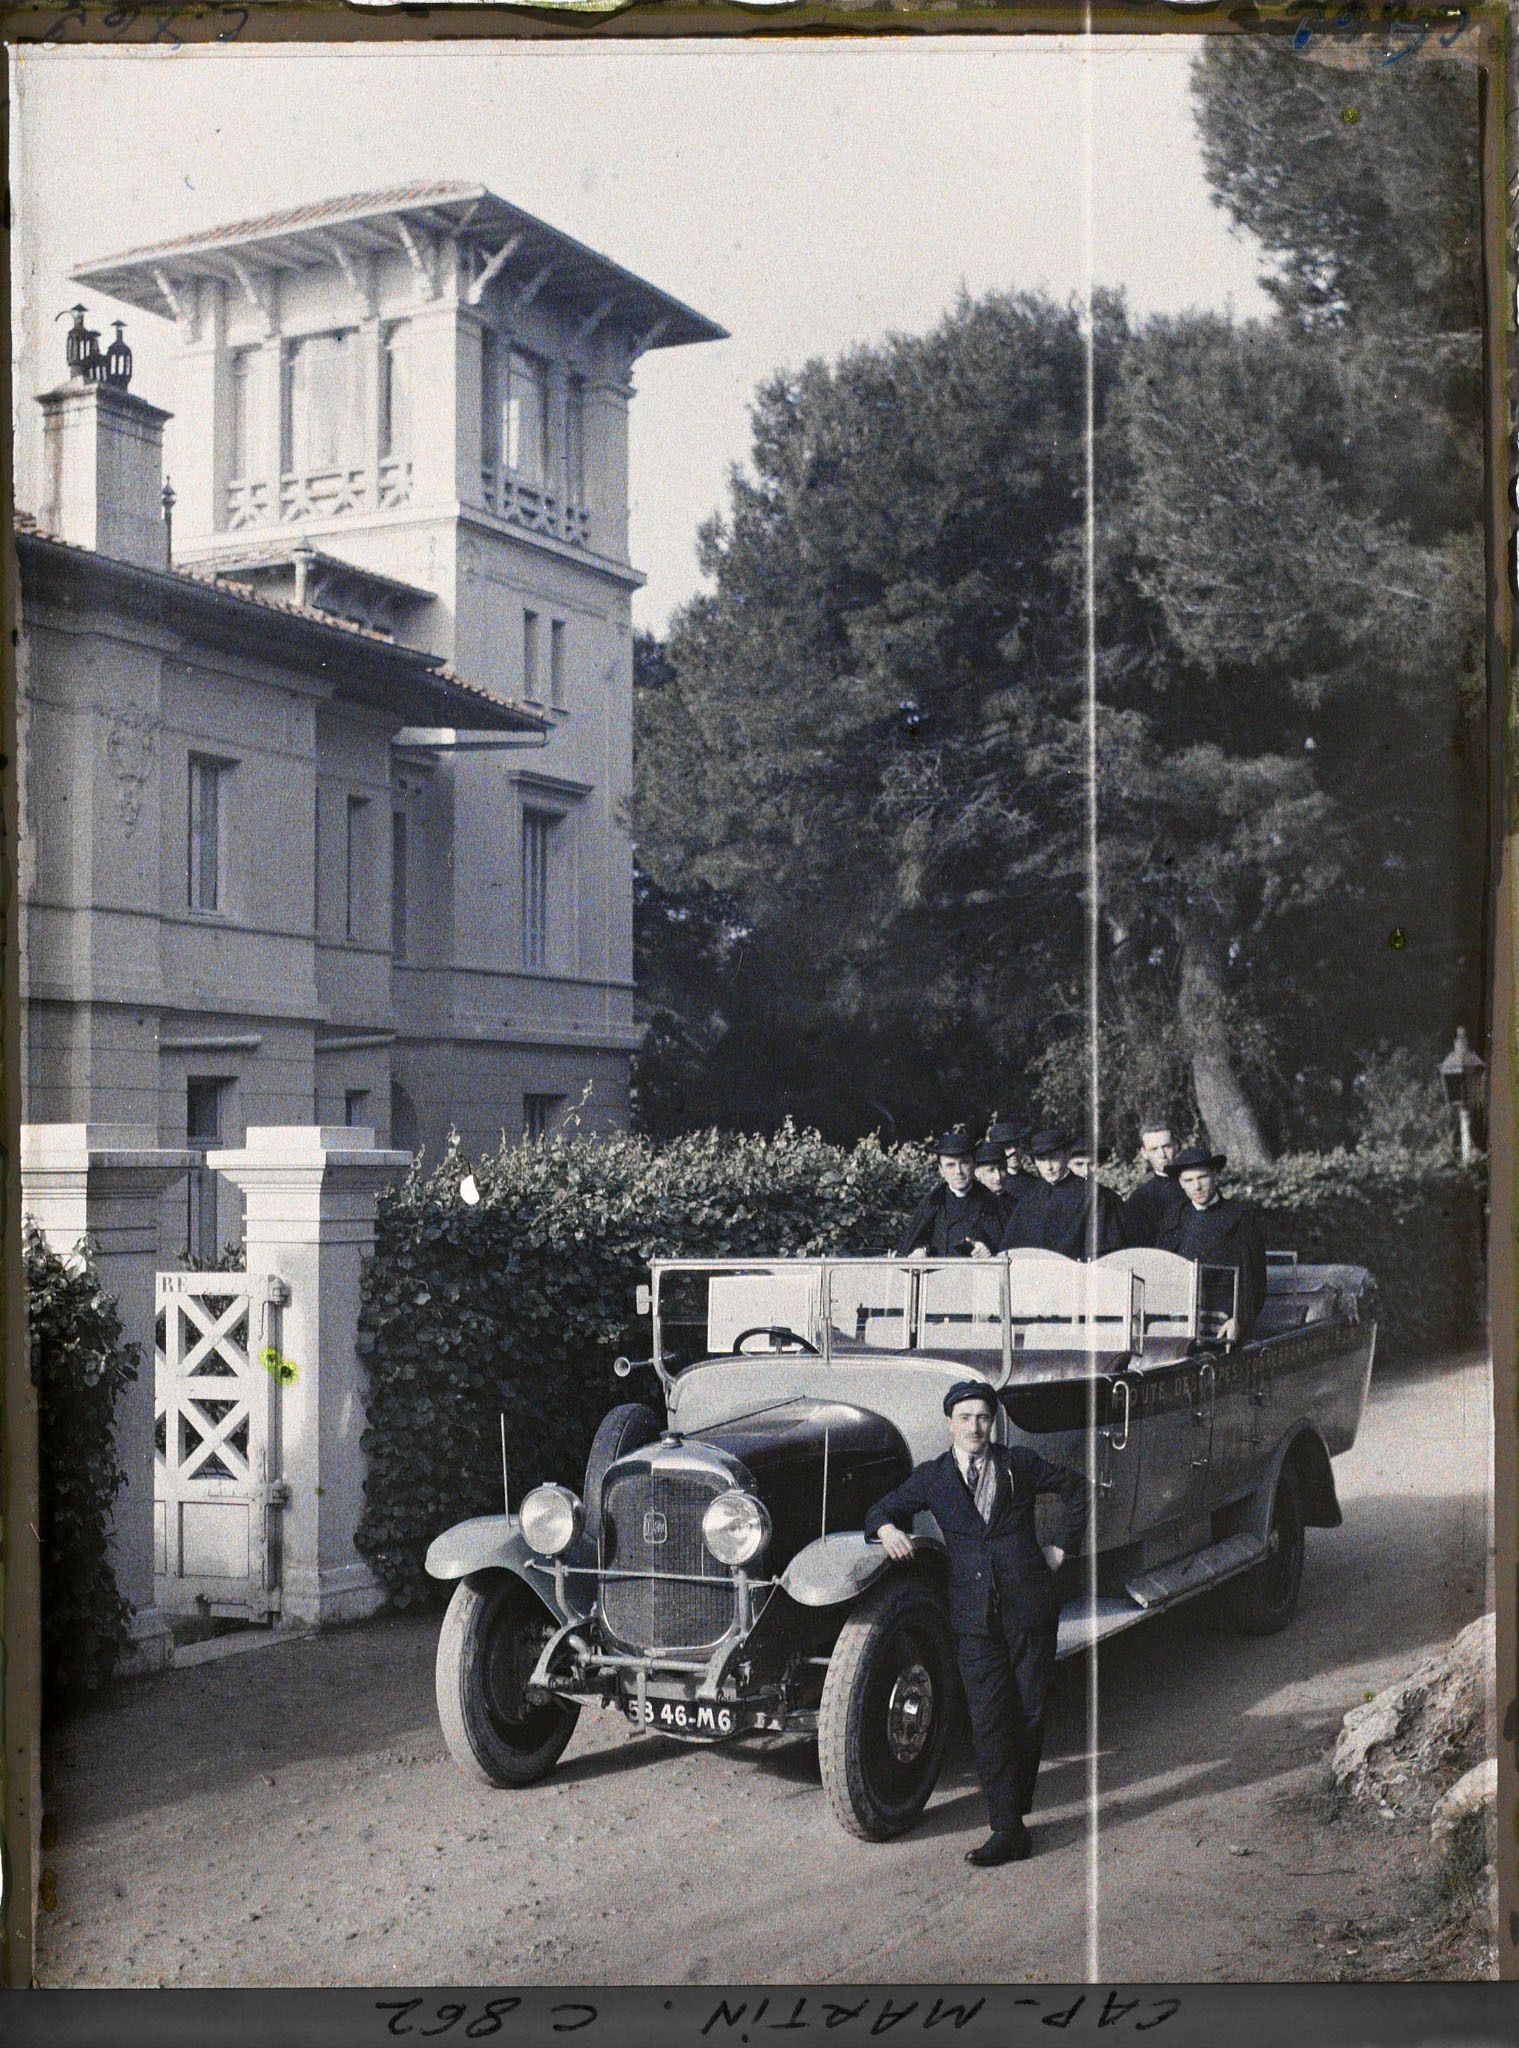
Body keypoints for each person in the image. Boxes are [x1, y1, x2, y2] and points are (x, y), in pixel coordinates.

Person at [865, 1381, 1091, 1865]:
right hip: (973, 1620)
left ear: (994, 1422)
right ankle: (1007, 1828)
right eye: (965, 1418)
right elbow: (880, 1509)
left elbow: (1077, 1490)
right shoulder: (934, 1477)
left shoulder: (1019, 1465)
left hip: (1029, 1611)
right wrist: (886, 1531)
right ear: (950, 1423)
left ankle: (1016, 1810)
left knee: (1028, 1713)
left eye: (983, 1417)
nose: (975, 1427)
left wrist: (1060, 1548)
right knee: (989, 1721)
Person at [1161, 1145, 1268, 1342]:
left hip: (1224, 1323)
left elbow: (1254, 1279)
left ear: (1215, 1176)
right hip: (1180, 1320)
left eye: (1202, 1177)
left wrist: (1240, 1319)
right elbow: (1162, 1272)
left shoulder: (1238, 1217)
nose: (1197, 1187)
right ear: (1181, 1183)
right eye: (1189, 1180)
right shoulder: (1175, 1218)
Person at [1000, 1128, 1121, 1261]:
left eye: (1053, 1158)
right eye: (1041, 1160)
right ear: (1034, 1161)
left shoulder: (1092, 1195)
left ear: (1067, 1155)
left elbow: (1103, 1254)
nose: (1049, 1167)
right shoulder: (1030, 1198)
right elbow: (1010, 1250)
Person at [896, 1130, 1000, 1259]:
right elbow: (915, 1240)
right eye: (950, 1165)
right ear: (941, 1170)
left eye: (964, 1163)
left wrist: (987, 1248)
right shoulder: (932, 1202)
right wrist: (919, 1250)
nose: (958, 1171)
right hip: (937, 1276)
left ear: (973, 1165)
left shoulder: (991, 1203)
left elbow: (1003, 1243)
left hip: (976, 1275)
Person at [1119, 1120, 1189, 1249]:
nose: (1162, 1155)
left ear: (1175, 1146)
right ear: (1144, 1153)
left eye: (1166, 1146)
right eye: (1154, 1149)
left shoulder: (1195, 1186)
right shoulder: (1140, 1198)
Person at [973, 1139, 1024, 1238]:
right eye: (991, 1170)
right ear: (977, 1173)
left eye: (1001, 1169)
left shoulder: (1016, 1205)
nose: (998, 1177)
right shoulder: (971, 1206)